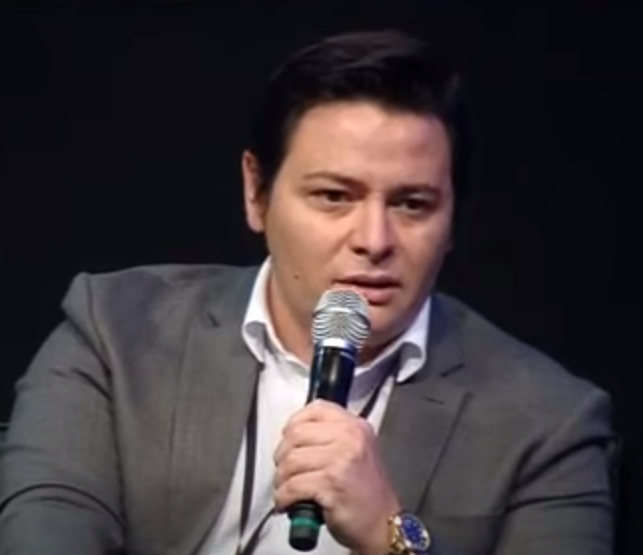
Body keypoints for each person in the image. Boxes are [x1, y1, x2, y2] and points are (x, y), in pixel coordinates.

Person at [0, 29, 614, 555]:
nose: (374, 240)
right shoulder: (115, 332)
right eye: (334, 197)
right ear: (256, 193)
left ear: (452, 220)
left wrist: (389, 535)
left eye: (412, 204)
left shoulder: (549, 423)